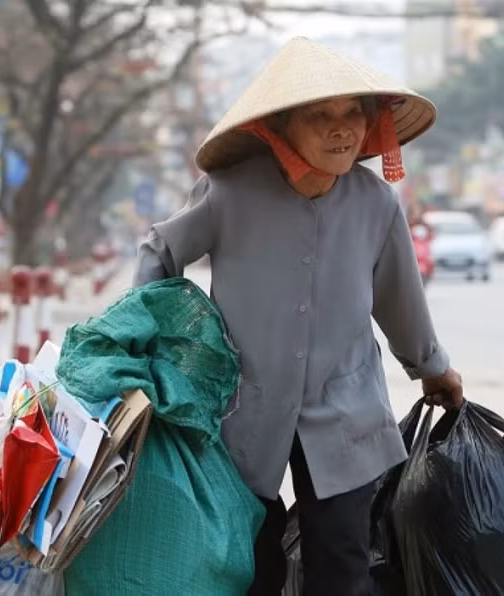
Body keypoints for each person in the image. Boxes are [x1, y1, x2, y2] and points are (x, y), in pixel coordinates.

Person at [132, 37, 464, 596]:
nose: (342, 129)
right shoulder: (228, 193)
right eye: (321, 115)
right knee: (249, 565)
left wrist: (432, 367)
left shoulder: (376, 204)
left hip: (346, 408)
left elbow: (397, 297)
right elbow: (159, 253)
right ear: (280, 127)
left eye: (352, 114)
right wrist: (158, 347)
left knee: (342, 568)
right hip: (242, 408)